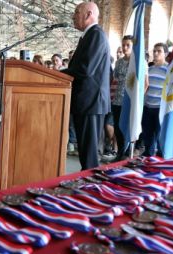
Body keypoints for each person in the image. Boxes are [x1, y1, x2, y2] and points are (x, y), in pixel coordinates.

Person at [61, 2, 111, 170]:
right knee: (85, 154)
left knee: (89, 157)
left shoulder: (96, 35)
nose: (73, 16)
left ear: (89, 14)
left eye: (77, 12)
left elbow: (86, 69)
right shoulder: (89, 35)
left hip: (91, 103)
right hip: (86, 103)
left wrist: (61, 73)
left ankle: (92, 190)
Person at [142, 43, 169, 157]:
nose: (156, 53)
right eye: (154, 51)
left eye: (159, 51)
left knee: (159, 136)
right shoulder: (149, 69)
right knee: (147, 134)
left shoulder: (168, 70)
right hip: (148, 107)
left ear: (166, 54)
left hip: (160, 108)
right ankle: (148, 155)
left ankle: (160, 158)